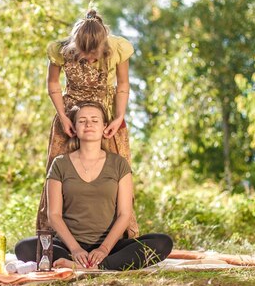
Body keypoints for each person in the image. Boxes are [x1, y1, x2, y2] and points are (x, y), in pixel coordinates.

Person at [18, 102, 172, 270]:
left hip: (110, 247)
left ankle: (94, 266)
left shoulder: (119, 164)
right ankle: (90, 263)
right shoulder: (60, 164)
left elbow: (124, 214)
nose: (89, 124)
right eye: (82, 120)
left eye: (94, 120)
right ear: (74, 128)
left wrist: (104, 249)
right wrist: (76, 249)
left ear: (105, 127)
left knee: (163, 242)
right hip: (69, 246)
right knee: (23, 247)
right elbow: (53, 215)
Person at [36, 9, 139, 239]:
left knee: (116, 171)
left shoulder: (117, 50)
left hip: (108, 118)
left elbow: (122, 85)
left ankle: (117, 239)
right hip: (69, 117)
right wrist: (63, 117)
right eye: (85, 56)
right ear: (75, 47)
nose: (91, 60)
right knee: (60, 169)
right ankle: (53, 239)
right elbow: (53, 84)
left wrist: (119, 117)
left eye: (95, 56)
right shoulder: (60, 51)